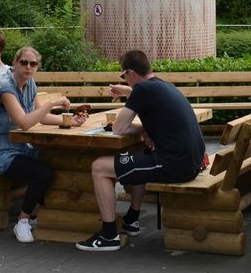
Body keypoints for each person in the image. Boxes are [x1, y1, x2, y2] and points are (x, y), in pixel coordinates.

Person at [78, 50, 206, 251]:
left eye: (123, 75)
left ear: (130, 72)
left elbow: (119, 128)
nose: (124, 80)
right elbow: (145, 98)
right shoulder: (162, 84)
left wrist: (131, 98)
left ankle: (109, 236)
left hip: (175, 165)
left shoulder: (143, 90)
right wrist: (130, 95)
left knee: (99, 167)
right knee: (140, 152)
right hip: (191, 161)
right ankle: (131, 219)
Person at [0, 46, 87, 244]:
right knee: (42, 173)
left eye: (33, 64)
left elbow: (42, 118)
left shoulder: (30, 84)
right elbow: (24, 122)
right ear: (15, 63)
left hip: (20, 147)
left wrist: (70, 121)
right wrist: (52, 103)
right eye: (24, 63)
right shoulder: (4, 87)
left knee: (56, 161)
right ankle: (23, 221)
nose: (28, 67)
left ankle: (38, 215)